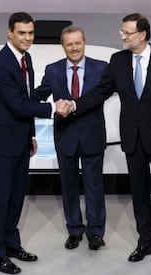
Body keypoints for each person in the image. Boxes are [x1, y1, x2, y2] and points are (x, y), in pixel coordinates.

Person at [58, 13, 151, 264]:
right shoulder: (118, 61)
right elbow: (101, 92)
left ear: (141, 35)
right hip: (133, 139)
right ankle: (145, 243)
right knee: (139, 194)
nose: (122, 36)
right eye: (122, 31)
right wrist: (75, 105)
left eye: (127, 32)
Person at [0, 12, 66, 274]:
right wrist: (53, 108)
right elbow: (19, 106)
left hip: (20, 139)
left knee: (17, 196)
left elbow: (27, 96)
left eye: (30, 33)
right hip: (1, 143)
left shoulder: (25, 58)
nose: (27, 38)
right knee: (1, 198)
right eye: (22, 33)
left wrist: (30, 134)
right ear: (10, 33)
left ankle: (11, 244)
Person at [33, 26, 107, 250]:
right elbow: (41, 93)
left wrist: (74, 106)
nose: (74, 48)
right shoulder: (53, 70)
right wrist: (20, 98)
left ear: (84, 43)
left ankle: (95, 232)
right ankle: (75, 229)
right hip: (65, 135)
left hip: (92, 134)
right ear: (63, 46)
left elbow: (100, 95)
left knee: (94, 185)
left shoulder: (101, 68)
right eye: (69, 44)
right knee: (69, 185)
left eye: (78, 43)